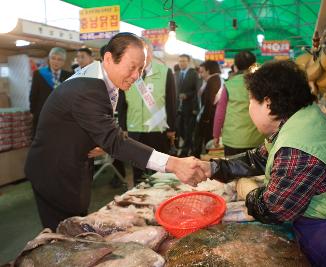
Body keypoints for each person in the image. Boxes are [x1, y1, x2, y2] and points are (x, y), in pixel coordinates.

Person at [199, 60, 326, 266]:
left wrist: (247, 190)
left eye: (251, 100)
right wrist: (213, 168)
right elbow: (259, 157)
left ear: (267, 104)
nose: (249, 107)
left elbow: (273, 209)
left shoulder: (298, 148)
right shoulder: (298, 121)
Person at [25, 33, 206, 231]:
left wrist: (100, 141)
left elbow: (95, 126)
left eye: (141, 69)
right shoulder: (88, 88)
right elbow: (116, 141)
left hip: (72, 166)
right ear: (109, 58)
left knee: (76, 226)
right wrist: (174, 163)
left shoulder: (102, 78)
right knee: (63, 235)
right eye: (132, 67)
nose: (137, 76)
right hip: (55, 173)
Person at [117, 40, 176, 185]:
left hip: (158, 128)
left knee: (160, 170)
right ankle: (139, 198)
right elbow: (122, 103)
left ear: (151, 52)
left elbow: (172, 102)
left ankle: (160, 198)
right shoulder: (127, 72)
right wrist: (123, 126)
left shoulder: (164, 72)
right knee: (138, 169)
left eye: (145, 51)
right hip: (134, 128)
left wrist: (172, 128)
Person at [213, 51, 264, 156]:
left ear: (235, 66)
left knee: (233, 171)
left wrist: (216, 135)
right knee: (256, 172)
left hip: (233, 141)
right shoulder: (261, 83)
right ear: (254, 65)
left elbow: (220, 113)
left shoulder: (229, 85)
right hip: (257, 139)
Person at [29, 47, 72, 136]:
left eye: (59, 59)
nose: (55, 62)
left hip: (61, 115)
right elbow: (33, 95)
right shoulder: (39, 74)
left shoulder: (69, 75)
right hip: (42, 113)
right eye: (53, 58)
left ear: (63, 62)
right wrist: (32, 111)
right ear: (49, 59)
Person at [193, 60, 222, 158]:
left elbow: (209, 102)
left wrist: (205, 119)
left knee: (205, 141)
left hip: (209, 118)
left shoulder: (212, 81)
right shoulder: (215, 79)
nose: (200, 75)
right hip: (209, 116)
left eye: (202, 72)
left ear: (208, 71)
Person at [175, 54, 198, 157]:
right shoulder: (176, 74)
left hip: (189, 107)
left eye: (184, 61)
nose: (181, 63)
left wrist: (187, 95)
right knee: (180, 129)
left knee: (188, 130)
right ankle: (189, 148)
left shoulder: (193, 74)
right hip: (178, 107)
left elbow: (196, 91)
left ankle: (185, 152)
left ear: (188, 62)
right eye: (180, 61)